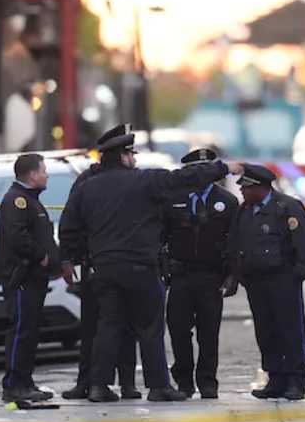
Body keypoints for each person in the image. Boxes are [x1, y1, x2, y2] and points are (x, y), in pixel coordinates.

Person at [59, 129, 244, 402]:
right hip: (140, 267)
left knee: (108, 326)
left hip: (105, 268)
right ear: (122, 156)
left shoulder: (87, 187)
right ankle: (158, 386)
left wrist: (69, 258)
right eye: (131, 154)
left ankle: (99, 386)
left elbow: (69, 226)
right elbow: (185, 177)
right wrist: (223, 168)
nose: (134, 159)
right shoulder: (145, 181)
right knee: (149, 326)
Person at [228, 164, 305, 401]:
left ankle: (295, 382)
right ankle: (275, 379)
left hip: (283, 280)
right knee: (266, 332)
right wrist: (239, 275)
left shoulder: (286, 207)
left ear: (261, 188)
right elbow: (237, 244)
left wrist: (298, 274)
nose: (242, 192)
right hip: (256, 282)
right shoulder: (244, 212)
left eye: (246, 188)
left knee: (289, 331)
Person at [61, 125, 140, 400]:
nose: (133, 158)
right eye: (129, 152)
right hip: (94, 263)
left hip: (117, 262)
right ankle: (88, 381)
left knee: (126, 326)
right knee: (92, 326)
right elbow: (71, 223)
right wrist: (70, 257)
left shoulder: (133, 179)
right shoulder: (87, 180)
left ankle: (127, 383)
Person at [162, 148, 239, 399]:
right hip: (180, 275)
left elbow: (234, 243)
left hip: (211, 276)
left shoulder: (227, 201)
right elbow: (160, 236)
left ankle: (207, 381)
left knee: (209, 332)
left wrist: (232, 276)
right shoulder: (173, 199)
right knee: (178, 330)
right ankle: (183, 379)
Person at [0, 153, 58, 403]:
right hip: (23, 277)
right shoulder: (17, 201)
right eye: (43, 170)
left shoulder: (29, 200)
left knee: (30, 332)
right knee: (22, 331)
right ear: (32, 175)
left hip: (34, 278)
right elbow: (17, 236)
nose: (46, 175)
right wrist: (41, 256)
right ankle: (13, 385)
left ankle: (25, 381)